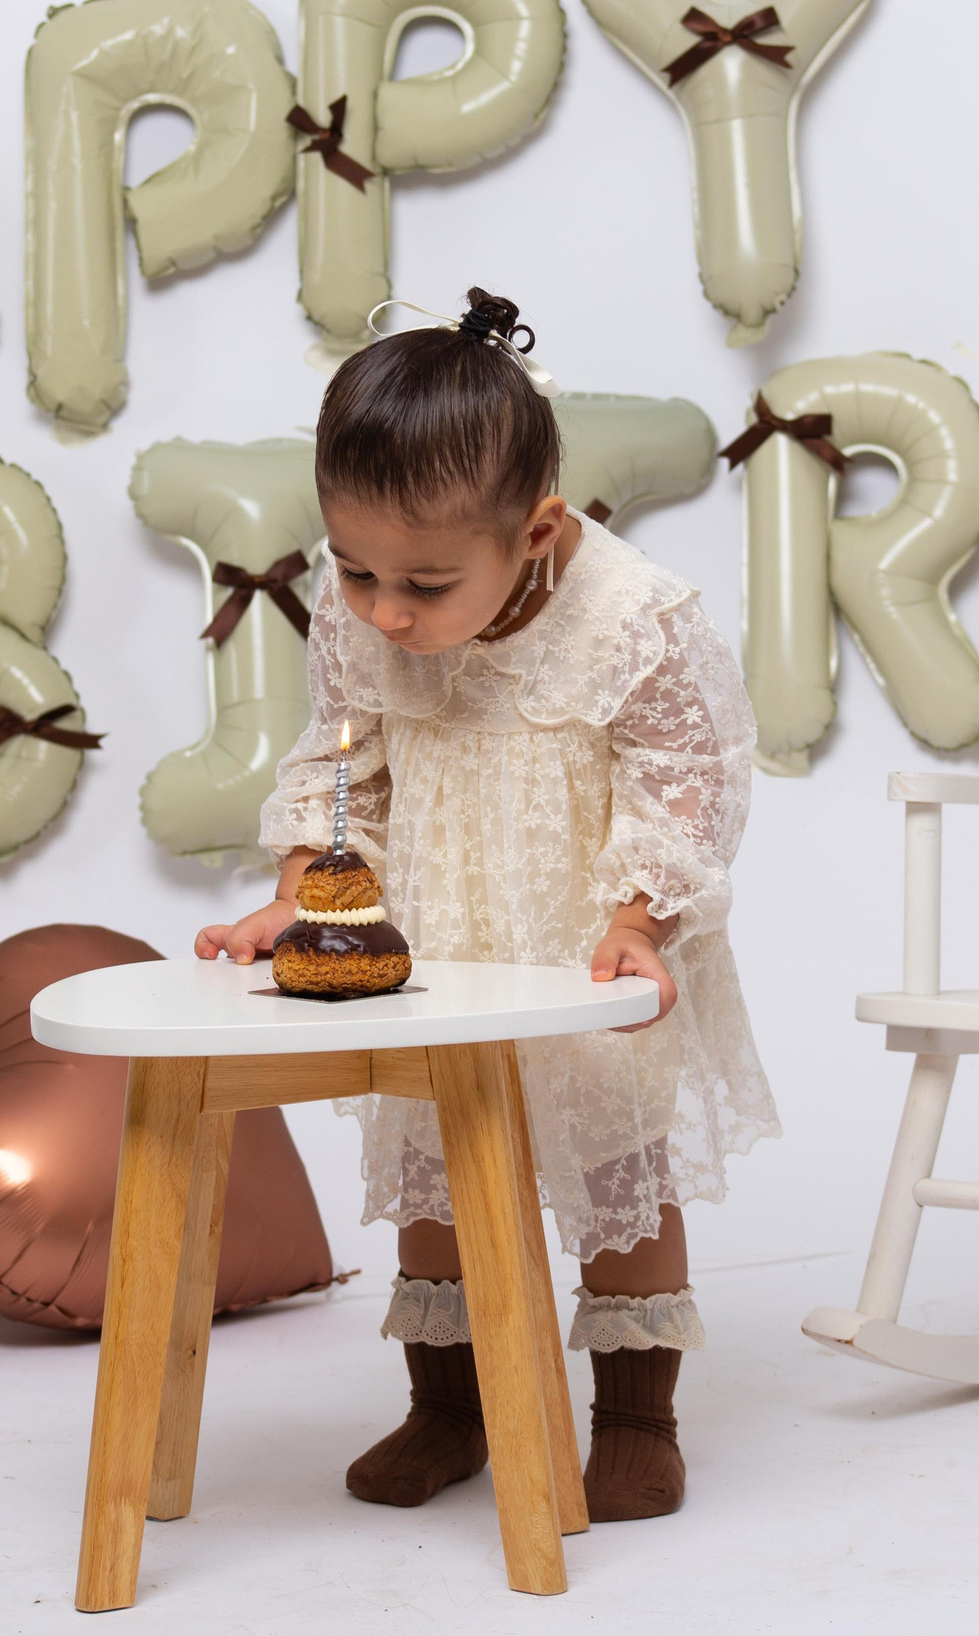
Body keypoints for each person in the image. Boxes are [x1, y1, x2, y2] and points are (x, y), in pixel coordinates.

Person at [197, 288, 778, 1521]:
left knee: (619, 1179)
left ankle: (634, 1414)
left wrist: (637, 920)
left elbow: (686, 778)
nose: (385, 612)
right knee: (432, 1181)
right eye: (353, 569)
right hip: (439, 943)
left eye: (421, 581)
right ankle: (445, 1407)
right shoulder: (369, 620)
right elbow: (340, 767)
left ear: (536, 530)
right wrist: (298, 895)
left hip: (584, 945)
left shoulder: (631, 619)